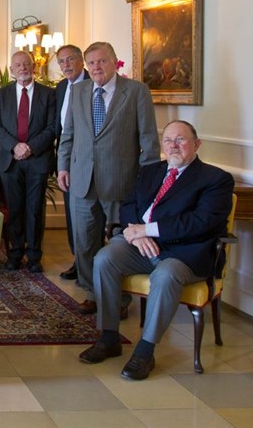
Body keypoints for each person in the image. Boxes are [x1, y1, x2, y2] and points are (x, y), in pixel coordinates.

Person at [79, 121, 233, 380]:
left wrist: (147, 231)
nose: (174, 146)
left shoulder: (216, 179)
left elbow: (200, 223)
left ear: (197, 144)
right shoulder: (150, 171)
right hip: (141, 247)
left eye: (181, 140)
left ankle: (145, 351)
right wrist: (136, 236)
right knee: (105, 258)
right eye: (168, 140)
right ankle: (109, 337)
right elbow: (129, 206)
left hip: (183, 252)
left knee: (164, 275)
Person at [58, 41, 160, 314]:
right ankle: (93, 294)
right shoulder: (78, 91)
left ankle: (120, 299)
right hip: (81, 181)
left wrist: (146, 184)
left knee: (120, 244)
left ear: (114, 62)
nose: (96, 68)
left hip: (121, 183)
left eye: (101, 61)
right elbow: (68, 134)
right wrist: (63, 167)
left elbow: (149, 140)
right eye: (91, 63)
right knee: (84, 243)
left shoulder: (136, 92)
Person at [0, 51, 57, 272]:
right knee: (15, 209)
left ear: (33, 67)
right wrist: (14, 146)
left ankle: (35, 256)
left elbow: (52, 127)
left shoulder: (48, 94)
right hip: (10, 160)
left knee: (35, 210)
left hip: (37, 159)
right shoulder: (3, 94)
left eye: (27, 64)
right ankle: (15, 253)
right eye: (18, 65)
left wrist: (30, 147)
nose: (23, 68)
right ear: (11, 70)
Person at [54, 44, 89, 280]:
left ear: (81, 61)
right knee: (71, 213)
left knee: (90, 218)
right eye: (61, 62)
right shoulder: (60, 88)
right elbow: (59, 127)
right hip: (67, 159)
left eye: (70, 60)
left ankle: (93, 267)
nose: (66, 65)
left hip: (89, 160)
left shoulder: (92, 84)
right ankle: (78, 261)